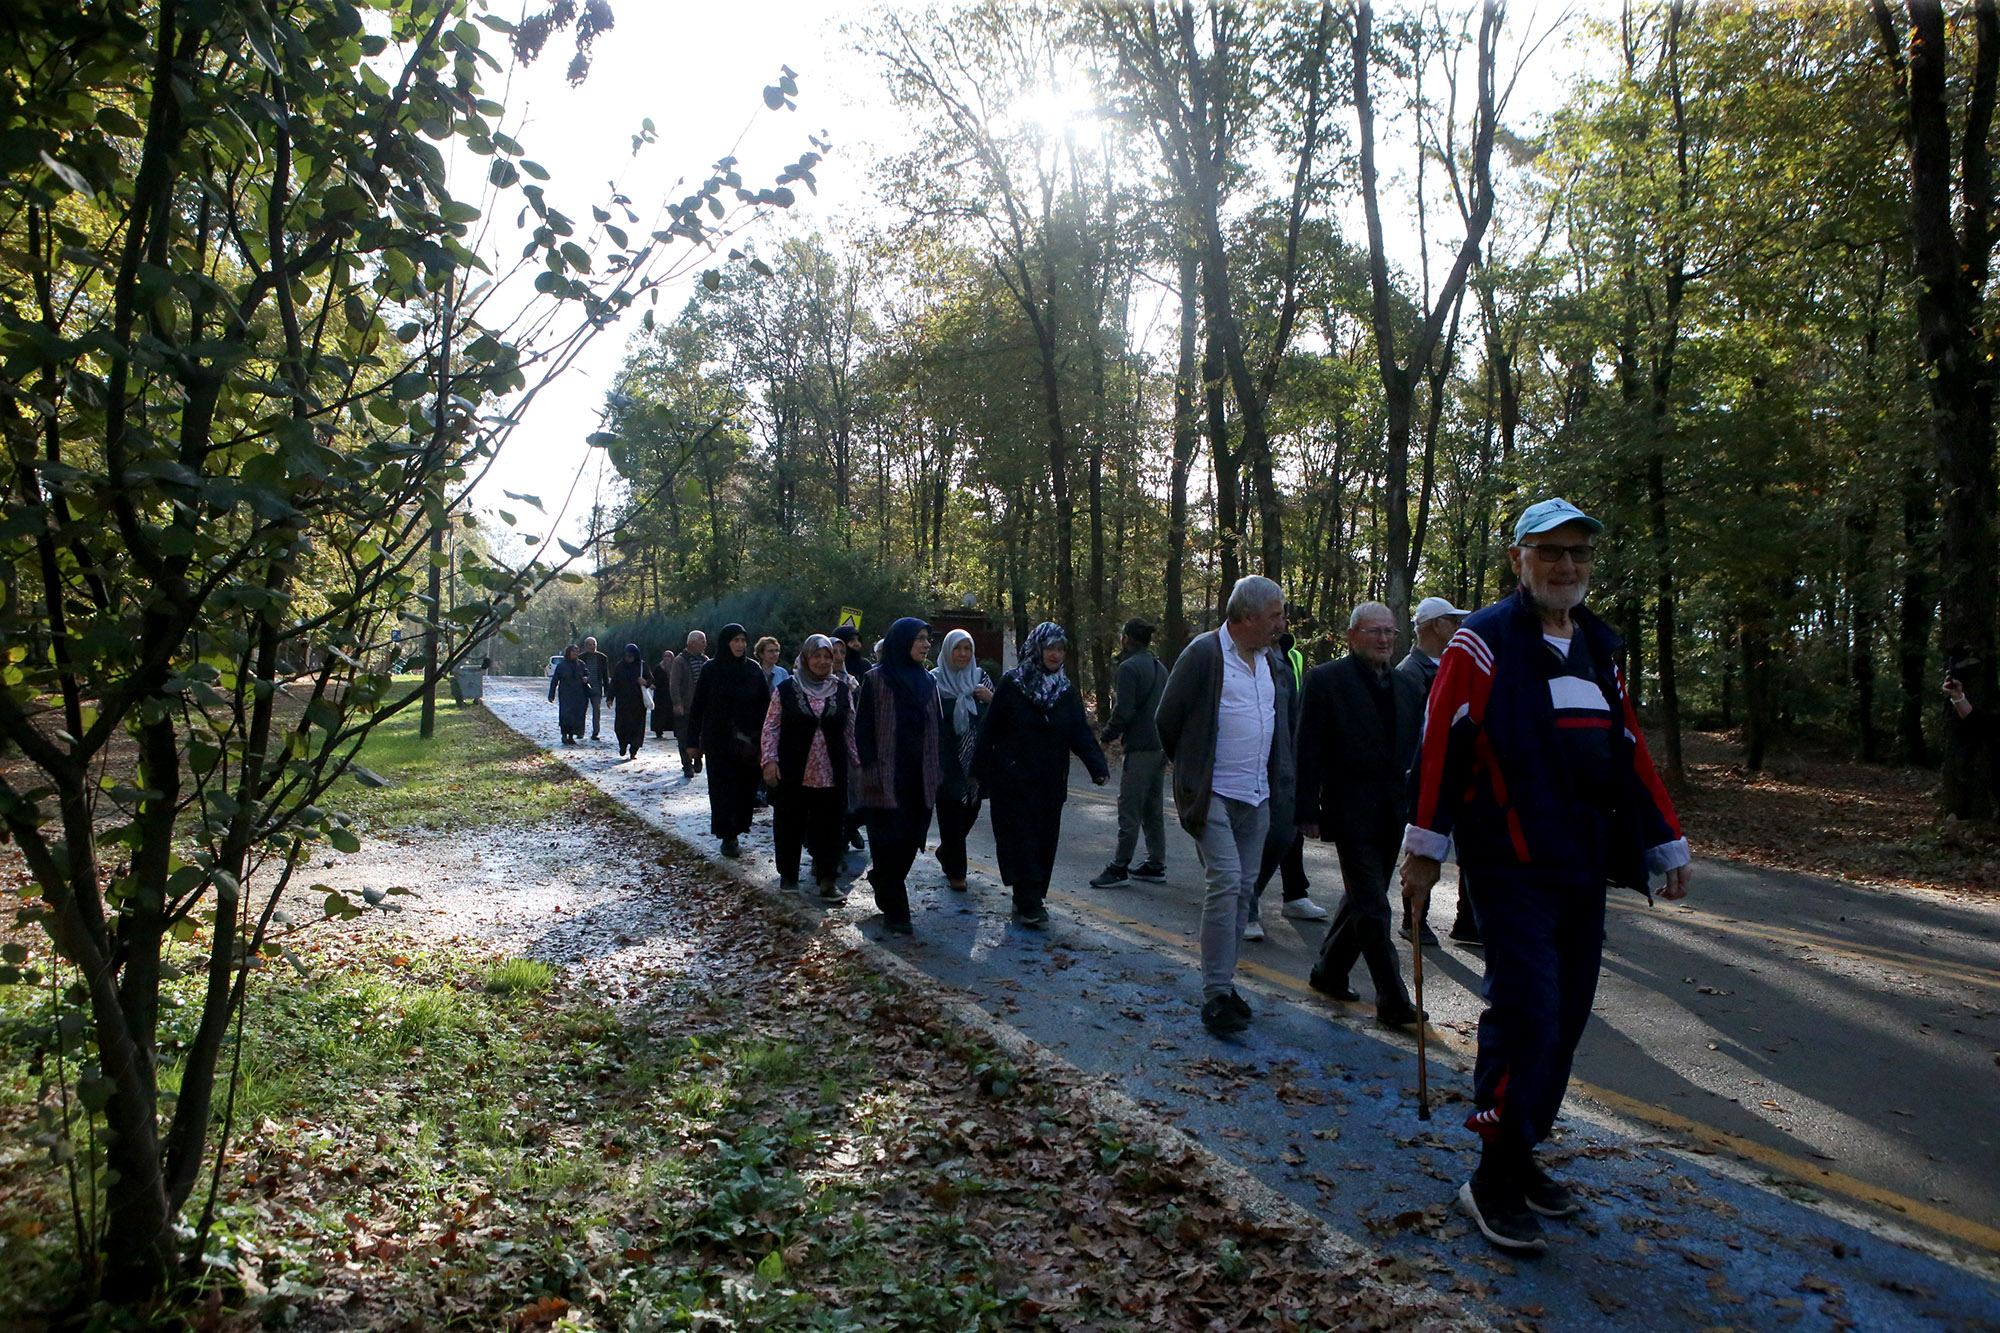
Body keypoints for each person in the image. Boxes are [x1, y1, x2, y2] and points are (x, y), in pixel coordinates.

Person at [1401, 498, 1690, 1256]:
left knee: (1565, 1019)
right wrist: (1424, 850)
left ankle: (1522, 1152)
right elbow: (1442, 745)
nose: (1568, 566)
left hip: (1583, 864)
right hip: (1510, 862)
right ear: (1518, 558)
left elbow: (1627, 747)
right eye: (1552, 552)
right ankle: (1492, 1175)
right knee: (1526, 1009)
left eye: (1580, 553)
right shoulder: (1483, 641)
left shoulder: (1598, 645)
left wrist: (1666, 841)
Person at [1155, 576, 1299, 1035]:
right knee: (1227, 882)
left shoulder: (1274, 658)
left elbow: (1282, 720)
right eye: (1275, 614)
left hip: (1257, 795)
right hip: (1212, 793)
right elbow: (1167, 719)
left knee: (1244, 891)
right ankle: (1215, 994)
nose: (1282, 623)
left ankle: (1226, 983)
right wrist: (1193, 772)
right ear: (1247, 617)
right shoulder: (1203, 654)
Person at [1296, 602, 1427, 1027]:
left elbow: (1417, 754)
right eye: (1374, 632)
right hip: (1349, 809)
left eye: (1390, 632)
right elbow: (1307, 749)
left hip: (1394, 812)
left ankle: (1330, 971)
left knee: (1362, 899)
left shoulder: (1409, 686)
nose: (1384, 640)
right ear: (1352, 636)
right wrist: (1305, 808)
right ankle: (1392, 999)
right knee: (1374, 907)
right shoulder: (1325, 680)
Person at [975, 622, 1109, 928]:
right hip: (1013, 779)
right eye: (1050, 648)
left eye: (1060, 649)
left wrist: (1097, 767)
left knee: (1043, 841)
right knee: (1020, 840)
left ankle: (1030, 897)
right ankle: (1028, 901)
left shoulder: (1064, 690)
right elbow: (989, 729)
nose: (1055, 654)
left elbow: (1079, 731)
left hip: (1050, 781)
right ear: (1037, 649)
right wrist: (977, 772)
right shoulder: (1013, 684)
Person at [1398, 595, 1478, 947]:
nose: (1458, 626)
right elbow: (1406, 730)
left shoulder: (1457, 665)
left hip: (1459, 771)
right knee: (1424, 845)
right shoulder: (1410, 672)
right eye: (1452, 620)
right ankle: (1414, 918)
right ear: (1433, 625)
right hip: (1422, 773)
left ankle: (1467, 921)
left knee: (1469, 847)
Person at [853, 617, 941, 936]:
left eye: (927, 639)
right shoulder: (876, 679)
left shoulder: (928, 681)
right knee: (887, 842)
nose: (926, 644)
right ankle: (898, 913)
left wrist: (938, 768)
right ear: (902, 641)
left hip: (920, 776)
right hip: (885, 776)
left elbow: (937, 728)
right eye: (919, 638)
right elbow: (862, 730)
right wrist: (870, 769)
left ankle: (884, 880)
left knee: (910, 841)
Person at [1244, 628, 1329, 934]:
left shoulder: (1290, 653)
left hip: (1286, 752)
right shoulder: (1241, 651)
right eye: (1274, 615)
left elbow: (1294, 708)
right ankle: (1245, 904)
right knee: (1259, 831)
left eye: (1282, 615)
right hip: (1254, 757)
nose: (1280, 621)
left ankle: (1294, 894)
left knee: (1288, 830)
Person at [761, 635, 859, 898]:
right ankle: (789, 877)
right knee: (789, 823)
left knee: (830, 826)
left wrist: (858, 764)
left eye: (828, 656)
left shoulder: (841, 690)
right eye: (817, 656)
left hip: (830, 771)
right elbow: (771, 727)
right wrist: (769, 760)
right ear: (805, 658)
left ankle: (828, 879)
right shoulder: (786, 690)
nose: (823, 661)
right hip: (793, 769)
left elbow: (850, 729)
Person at [1090, 619, 1171, 889]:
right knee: (1152, 808)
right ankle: (1155, 863)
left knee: (1129, 808)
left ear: (1126, 638)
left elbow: (1124, 711)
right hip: (1160, 746)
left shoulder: (1128, 668)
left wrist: (1107, 736)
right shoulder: (1160, 667)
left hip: (1141, 748)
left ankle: (1119, 866)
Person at [685, 625, 768, 858]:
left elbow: (766, 706)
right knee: (723, 790)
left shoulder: (753, 670)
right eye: (735, 640)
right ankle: (727, 835)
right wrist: (693, 742)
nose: (740, 645)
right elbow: (698, 707)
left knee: (745, 789)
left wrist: (767, 742)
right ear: (725, 643)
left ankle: (738, 827)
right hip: (719, 742)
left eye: (743, 640)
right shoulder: (711, 669)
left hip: (748, 743)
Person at [931, 628, 993, 892]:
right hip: (945, 760)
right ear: (947, 651)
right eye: (957, 648)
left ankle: (947, 851)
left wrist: (990, 700)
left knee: (970, 812)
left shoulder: (981, 679)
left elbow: (1001, 716)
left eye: (967, 649)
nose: (962, 654)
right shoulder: (933, 681)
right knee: (951, 813)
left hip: (976, 761)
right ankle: (958, 873)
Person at [668, 630, 709, 779]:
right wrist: (677, 702)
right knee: (684, 737)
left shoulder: (705, 660)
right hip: (686, 707)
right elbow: (674, 684)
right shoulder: (680, 661)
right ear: (692, 643)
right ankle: (686, 764)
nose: (705, 644)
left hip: (702, 707)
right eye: (702, 641)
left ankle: (698, 758)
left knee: (701, 736)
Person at [607, 643, 651, 758]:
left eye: (631, 656)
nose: (629, 658)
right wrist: (610, 698)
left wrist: (645, 682)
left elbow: (651, 680)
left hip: (638, 704)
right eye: (627, 656)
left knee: (637, 728)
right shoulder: (620, 666)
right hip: (623, 704)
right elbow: (614, 684)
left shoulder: (642, 666)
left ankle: (634, 750)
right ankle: (622, 745)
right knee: (621, 727)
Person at [546, 644, 593, 745]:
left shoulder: (581, 664)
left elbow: (587, 674)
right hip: (566, 695)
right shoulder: (561, 666)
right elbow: (555, 681)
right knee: (565, 715)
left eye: (577, 652)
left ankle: (571, 736)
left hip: (579, 695)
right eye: (573, 652)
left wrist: (586, 678)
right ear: (568, 653)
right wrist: (551, 695)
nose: (575, 654)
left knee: (576, 716)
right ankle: (564, 735)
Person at [578, 636, 611, 742]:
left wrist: (607, 691)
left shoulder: (602, 658)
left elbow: (606, 675)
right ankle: (580, 731)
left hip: (597, 687)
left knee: (596, 710)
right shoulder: (580, 658)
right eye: (590, 645)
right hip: (583, 688)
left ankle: (595, 732)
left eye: (594, 645)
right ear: (585, 646)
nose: (592, 647)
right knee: (582, 710)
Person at [650, 647, 677, 739]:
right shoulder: (659, 668)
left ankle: (676, 731)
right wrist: (652, 684)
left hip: (672, 694)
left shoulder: (676, 667)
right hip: (660, 695)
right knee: (659, 714)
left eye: (669, 657)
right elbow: (652, 678)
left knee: (674, 714)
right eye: (665, 656)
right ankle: (658, 731)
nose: (667, 659)